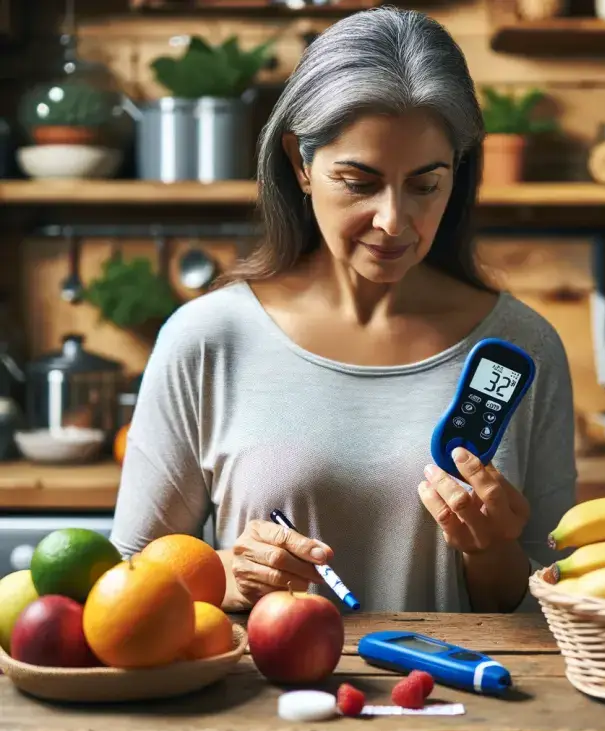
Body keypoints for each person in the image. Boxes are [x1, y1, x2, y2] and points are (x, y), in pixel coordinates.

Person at [110, 5, 576, 614]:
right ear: (301, 165)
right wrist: (226, 573)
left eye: (425, 184)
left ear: (457, 175)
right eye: (359, 181)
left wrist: (492, 553)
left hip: (466, 701)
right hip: (266, 707)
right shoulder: (205, 338)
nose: (393, 220)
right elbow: (128, 585)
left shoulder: (525, 345)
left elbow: (557, 607)